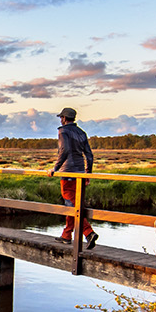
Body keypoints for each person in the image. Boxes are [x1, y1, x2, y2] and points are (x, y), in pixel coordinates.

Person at [48, 107, 98, 249]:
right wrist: (88, 172)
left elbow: (65, 150)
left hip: (68, 172)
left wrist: (55, 168)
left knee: (71, 204)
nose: (61, 120)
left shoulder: (63, 131)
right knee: (74, 204)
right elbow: (89, 155)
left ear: (64, 118)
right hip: (80, 172)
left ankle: (88, 233)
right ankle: (66, 235)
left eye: (61, 118)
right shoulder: (82, 133)